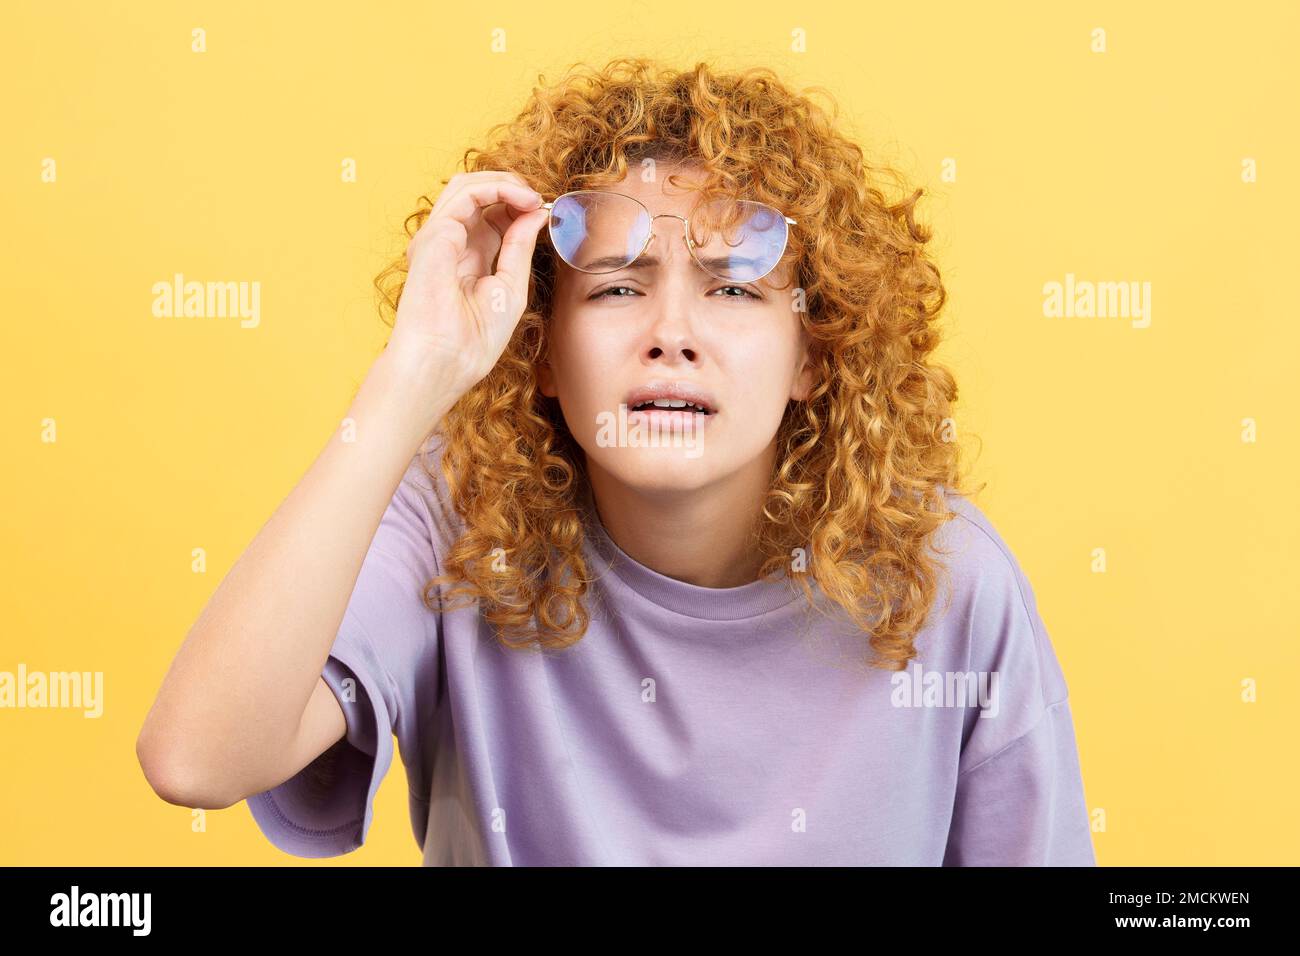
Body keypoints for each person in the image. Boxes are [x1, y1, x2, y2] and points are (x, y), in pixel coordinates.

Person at [136, 57, 1096, 866]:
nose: (671, 333)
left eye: (734, 290)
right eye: (616, 289)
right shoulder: (464, 533)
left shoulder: (949, 584)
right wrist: (407, 382)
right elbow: (197, 761)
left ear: (814, 353)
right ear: (542, 350)